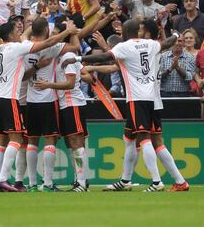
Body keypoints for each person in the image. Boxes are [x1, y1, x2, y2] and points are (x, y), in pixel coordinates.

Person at [62, 19, 180, 191]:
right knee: (129, 139)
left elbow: (103, 57)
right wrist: (176, 34)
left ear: (124, 34)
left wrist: (78, 58)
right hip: (153, 99)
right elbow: (167, 42)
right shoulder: (150, 44)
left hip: (137, 99)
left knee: (144, 138)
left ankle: (156, 182)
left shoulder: (124, 47)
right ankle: (125, 180)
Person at [0, 19, 76, 192]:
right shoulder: (16, 47)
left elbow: (24, 72)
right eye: (16, 31)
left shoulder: (1, 48)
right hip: (10, 97)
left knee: (2, 141)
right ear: (10, 35)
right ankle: (2, 179)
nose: (19, 34)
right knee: (16, 139)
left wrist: (36, 65)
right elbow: (49, 42)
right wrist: (68, 32)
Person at [23, 18, 80, 192]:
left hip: (30, 99)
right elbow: (75, 48)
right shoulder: (51, 48)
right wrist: (71, 30)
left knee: (32, 141)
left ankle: (32, 184)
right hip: (48, 99)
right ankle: (47, 183)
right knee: (50, 140)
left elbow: (24, 77)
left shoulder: (25, 46)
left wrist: (29, 27)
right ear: (47, 30)